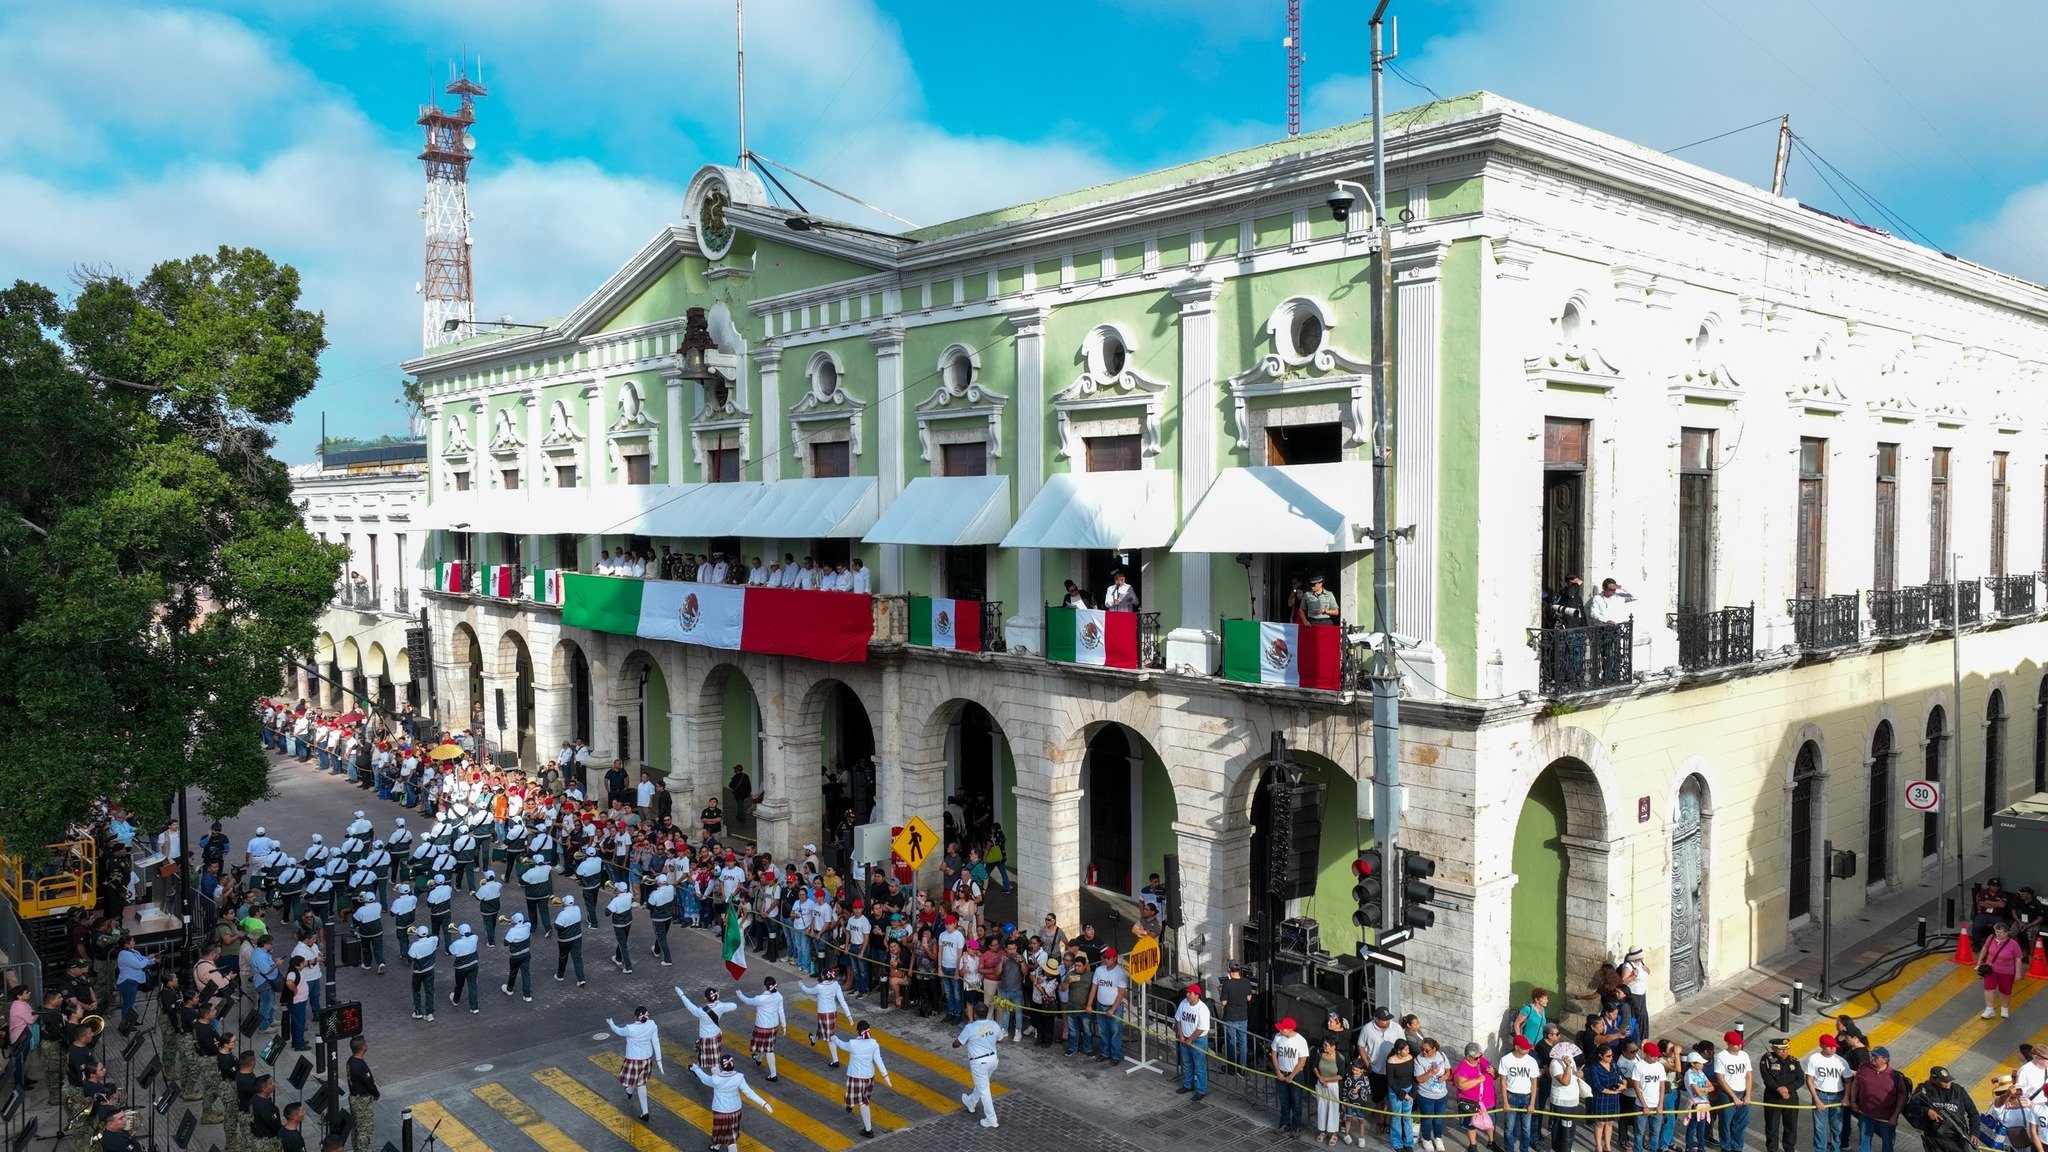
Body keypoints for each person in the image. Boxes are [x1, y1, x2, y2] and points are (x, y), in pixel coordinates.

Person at [694, 1053, 773, 1152]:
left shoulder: (716, 1079)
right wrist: (764, 1103)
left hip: (721, 1110)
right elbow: (749, 1093)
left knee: (723, 1133)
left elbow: (705, 1079)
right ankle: (716, 1147)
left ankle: (716, 1146)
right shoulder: (739, 1077)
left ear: (722, 1067)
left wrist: (696, 1069)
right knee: (730, 1133)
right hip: (735, 1110)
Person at [829, 1021, 893, 1139]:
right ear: (869, 1030)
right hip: (869, 1077)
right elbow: (879, 1061)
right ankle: (867, 1129)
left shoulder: (853, 1044)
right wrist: (886, 1076)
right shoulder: (874, 1043)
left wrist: (834, 1038)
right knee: (865, 1103)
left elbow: (842, 1045)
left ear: (857, 1031)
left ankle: (852, 1106)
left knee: (852, 1098)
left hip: (855, 1077)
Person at [606, 1005, 663, 1122]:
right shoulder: (652, 1024)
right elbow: (655, 1042)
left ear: (635, 1017)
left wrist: (611, 1024)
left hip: (633, 1059)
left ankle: (629, 1091)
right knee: (641, 1083)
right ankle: (644, 1111)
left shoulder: (630, 1028)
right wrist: (659, 1060)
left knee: (632, 1080)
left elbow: (619, 1031)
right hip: (647, 1058)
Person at [1847, 1046, 1907, 1152]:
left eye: (1875, 1057)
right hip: (1866, 1115)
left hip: (1886, 1119)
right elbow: (1856, 1083)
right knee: (1864, 1142)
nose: (1872, 1058)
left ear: (1885, 1060)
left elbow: (1902, 1097)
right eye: (1871, 1055)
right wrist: (1853, 1101)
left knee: (1887, 1144)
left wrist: (1895, 1116)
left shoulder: (1895, 1075)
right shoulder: (1864, 1066)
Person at [953, 1002, 1002, 1128]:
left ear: (975, 1014)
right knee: (982, 1084)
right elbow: (1001, 1038)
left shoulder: (970, 1027)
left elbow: (956, 1044)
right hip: (993, 1060)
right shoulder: (993, 1024)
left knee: (984, 1089)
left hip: (979, 1062)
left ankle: (991, 1119)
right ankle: (971, 1102)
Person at [1904, 1066, 1974, 1152]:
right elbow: (1911, 1108)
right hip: (1935, 1139)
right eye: (1943, 1081)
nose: (1947, 1083)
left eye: (1948, 1079)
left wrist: (1974, 1133)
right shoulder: (1923, 1090)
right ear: (1933, 1079)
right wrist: (1927, 1111)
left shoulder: (1958, 1091)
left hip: (1958, 1137)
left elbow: (1973, 1113)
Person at [735, 977, 787, 1082]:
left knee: (768, 1049)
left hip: (762, 1026)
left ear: (764, 986)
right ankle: (758, 1059)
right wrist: (784, 1025)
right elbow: (781, 1011)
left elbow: (748, 1001)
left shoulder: (760, 998)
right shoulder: (779, 996)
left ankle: (773, 1075)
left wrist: (740, 995)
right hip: (773, 1026)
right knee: (766, 1045)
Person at [1759, 1036, 1804, 1152]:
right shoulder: (1766, 1060)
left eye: (1786, 1049)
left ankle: (1789, 1149)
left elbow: (1800, 1079)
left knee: (1791, 1127)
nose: (1784, 1052)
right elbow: (1767, 1078)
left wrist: (1787, 1089)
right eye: (1781, 1049)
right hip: (1773, 1098)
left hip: (1791, 1099)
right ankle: (1772, 1149)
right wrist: (1779, 1089)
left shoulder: (1793, 1061)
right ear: (1773, 1048)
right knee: (1772, 1127)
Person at [679, 986, 736, 1071]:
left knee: (713, 1063)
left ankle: (716, 1079)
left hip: (706, 1038)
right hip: (716, 1035)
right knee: (705, 1054)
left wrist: (682, 995)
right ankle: (696, 1068)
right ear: (717, 996)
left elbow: (690, 1006)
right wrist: (720, 1003)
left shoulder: (701, 1012)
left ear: (705, 999)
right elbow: (734, 1006)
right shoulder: (721, 1006)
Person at [1501, 1035, 1542, 1152]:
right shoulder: (1506, 1059)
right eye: (1524, 1048)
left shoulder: (1532, 1061)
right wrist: (1505, 1102)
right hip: (1511, 1096)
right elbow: (1503, 1082)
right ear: (1516, 1047)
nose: (1527, 1050)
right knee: (1509, 1127)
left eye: (1528, 1048)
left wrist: (1532, 1103)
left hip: (1527, 1097)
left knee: (1526, 1128)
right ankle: (1509, 1150)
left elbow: (1534, 1083)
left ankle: (1524, 1150)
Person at [1715, 1031, 1755, 1152]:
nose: (1739, 1046)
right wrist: (1734, 1097)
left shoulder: (1744, 1055)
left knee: (1741, 1123)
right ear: (1728, 1043)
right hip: (1727, 1094)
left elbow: (1748, 1076)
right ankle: (1726, 1148)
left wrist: (1748, 1095)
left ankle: (1737, 1148)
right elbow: (1720, 1079)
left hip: (1743, 1092)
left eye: (1740, 1044)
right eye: (1736, 1044)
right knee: (1726, 1123)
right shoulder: (1721, 1056)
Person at [1090, 946, 1130, 1064]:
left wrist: (1113, 1008)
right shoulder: (1099, 970)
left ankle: (1116, 1056)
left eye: (1108, 958)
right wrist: (1089, 1004)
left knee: (1115, 1033)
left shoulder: (1120, 973)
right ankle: (1104, 1053)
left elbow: (1122, 992)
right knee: (1103, 1031)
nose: (1105, 960)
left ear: (1114, 959)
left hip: (1115, 1008)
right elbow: (1094, 988)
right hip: (1101, 1005)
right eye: (1104, 957)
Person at [801, 968, 852, 1058]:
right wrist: (848, 1015)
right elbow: (842, 1001)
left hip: (823, 1013)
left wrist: (802, 986)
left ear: (823, 976)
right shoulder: (836, 984)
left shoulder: (819, 987)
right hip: (832, 1012)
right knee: (822, 1029)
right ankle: (813, 1040)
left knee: (830, 1036)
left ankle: (835, 1060)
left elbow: (809, 991)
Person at [1175, 982, 1211, 1100]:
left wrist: (1190, 1039)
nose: (1188, 995)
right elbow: (1178, 1019)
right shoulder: (1184, 1003)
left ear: (1197, 995)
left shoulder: (1202, 1009)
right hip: (1185, 1038)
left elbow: (1202, 1028)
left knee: (1200, 1066)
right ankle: (1188, 1085)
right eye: (1187, 992)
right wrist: (1180, 1035)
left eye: (1190, 993)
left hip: (1198, 1041)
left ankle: (1201, 1090)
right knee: (1187, 1064)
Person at [1275, 1017, 1312, 1134]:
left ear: (1290, 1029)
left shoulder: (1300, 1041)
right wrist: (1278, 1072)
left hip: (1296, 1075)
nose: (1280, 1031)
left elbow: (1302, 1061)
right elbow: (1274, 1054)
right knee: (1284, 1102)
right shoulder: (1278, 1037)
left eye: (1283, 1029)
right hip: (1281, 1074)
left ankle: (1296, 1126)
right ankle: (1284, 1123)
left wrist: (1291, 1076)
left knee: (1296, 1103)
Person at [1982, 921, 2026, 1019]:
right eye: (1996, 931)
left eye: (2000, 932)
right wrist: (1979, 962)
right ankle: (1989, 1009)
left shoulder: (2014, 944)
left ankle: (2004, 1008)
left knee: (2005, 991)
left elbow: (2018, 959)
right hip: (1991, 970)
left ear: (2006, 933)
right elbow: (1984, 949)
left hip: (2006, 972)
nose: (1997, 934)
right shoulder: (1991, 938)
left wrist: (2018, 973)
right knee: (1988, 989)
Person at [1419, 1036, 1454, 1152]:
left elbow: (1448, 1070)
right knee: (1427, 1119)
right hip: (1426, 1095)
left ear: (1434, 1049)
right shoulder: (1419, 1060)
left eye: (1427, 1050)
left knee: (1439, 1119)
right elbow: (1419, 1079)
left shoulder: (1442, 1055)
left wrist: (1445, 1076)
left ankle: (1438, 1138)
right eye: (1422, 1049)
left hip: (1441, 1094)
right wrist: (1431, 1073)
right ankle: (1426, 1138)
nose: (1424, 1051)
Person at [345, 1036, 379, 1152]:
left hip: (354, 1097)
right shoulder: (360, 1066)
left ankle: (357, 1149)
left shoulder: (350, 1061)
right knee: (364, 1129)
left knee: (356, 1128)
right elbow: (370, 1084)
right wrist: (376, 1094)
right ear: (362, 1047)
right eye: (365, 1043)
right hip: (362, 1101)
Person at [1218, 959, 1252, 1070]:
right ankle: (1242, 1067)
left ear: (1229, 970)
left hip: (1230, 1017)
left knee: (1231, 1041)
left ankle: (1231, 1067)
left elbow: (1223, 1003)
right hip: (1243, 1017)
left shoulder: (1227, 984)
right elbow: (1249, 998)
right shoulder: (1246, 982)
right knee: (1243, 1042)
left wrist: (1220, 992)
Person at [405, 925, 438, 1022]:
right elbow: (436, 937)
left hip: (418, 972)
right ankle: (429, 1013)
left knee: (416, 991)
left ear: (418, 935)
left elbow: (410, 958)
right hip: (430, 970)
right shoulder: (433, 940)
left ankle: (418, 1012)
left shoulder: (415, 945)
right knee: (430, 991)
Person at [553, 894, 586, 986]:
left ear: (565, 903)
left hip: (565, 940)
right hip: (577, 937)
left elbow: (557, 926)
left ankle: (560, 975)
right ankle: (581, 978)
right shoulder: (577, 909)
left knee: (563, 957)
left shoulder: (562, 914)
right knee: (577, 958)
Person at [501, 912, 533, 1002]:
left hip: (515, 956)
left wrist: (513, 923)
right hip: (526, 954)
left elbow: (505, 943)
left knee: (513, 973)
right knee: (526, 974)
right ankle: (527, 995)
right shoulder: (527, 926)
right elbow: (528, 921)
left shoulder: (512, 931)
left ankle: (509, 989)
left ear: (514, 922)